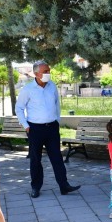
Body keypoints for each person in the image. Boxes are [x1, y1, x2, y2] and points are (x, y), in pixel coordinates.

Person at [15, 60, 81, 198]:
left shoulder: (52, 86)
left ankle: (64, 186)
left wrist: (57, 120)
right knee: (35, 159)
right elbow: (19, 108)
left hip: (51, 127)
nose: (48, 74)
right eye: (45, 71)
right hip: (35, 129)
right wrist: (26, 126)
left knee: (57, 157)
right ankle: (36, 187)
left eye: (49, 70)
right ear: (36, 73)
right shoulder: (27, 89)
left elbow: (57, 104)